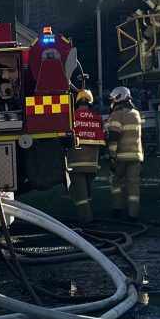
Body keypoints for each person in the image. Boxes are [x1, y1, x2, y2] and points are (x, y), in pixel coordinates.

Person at [66, 88, 104, 225]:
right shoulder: (97, 117)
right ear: (90, 102)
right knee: (88, 190)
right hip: (92, 163)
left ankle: (85, 218)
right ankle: (88, 213)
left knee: (80, 193)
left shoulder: (72, 117)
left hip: (75, 163)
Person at [105, 85, 144, 219]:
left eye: (113, 99)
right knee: (133, 186)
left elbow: (114, 137)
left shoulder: (117, 113)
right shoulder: (136, 113)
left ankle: (118, 209)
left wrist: (111, 157)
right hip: (136, 156)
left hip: (121, 156)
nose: (112, 102)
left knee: (116, 182)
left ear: (118, 97)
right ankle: (133, 214)